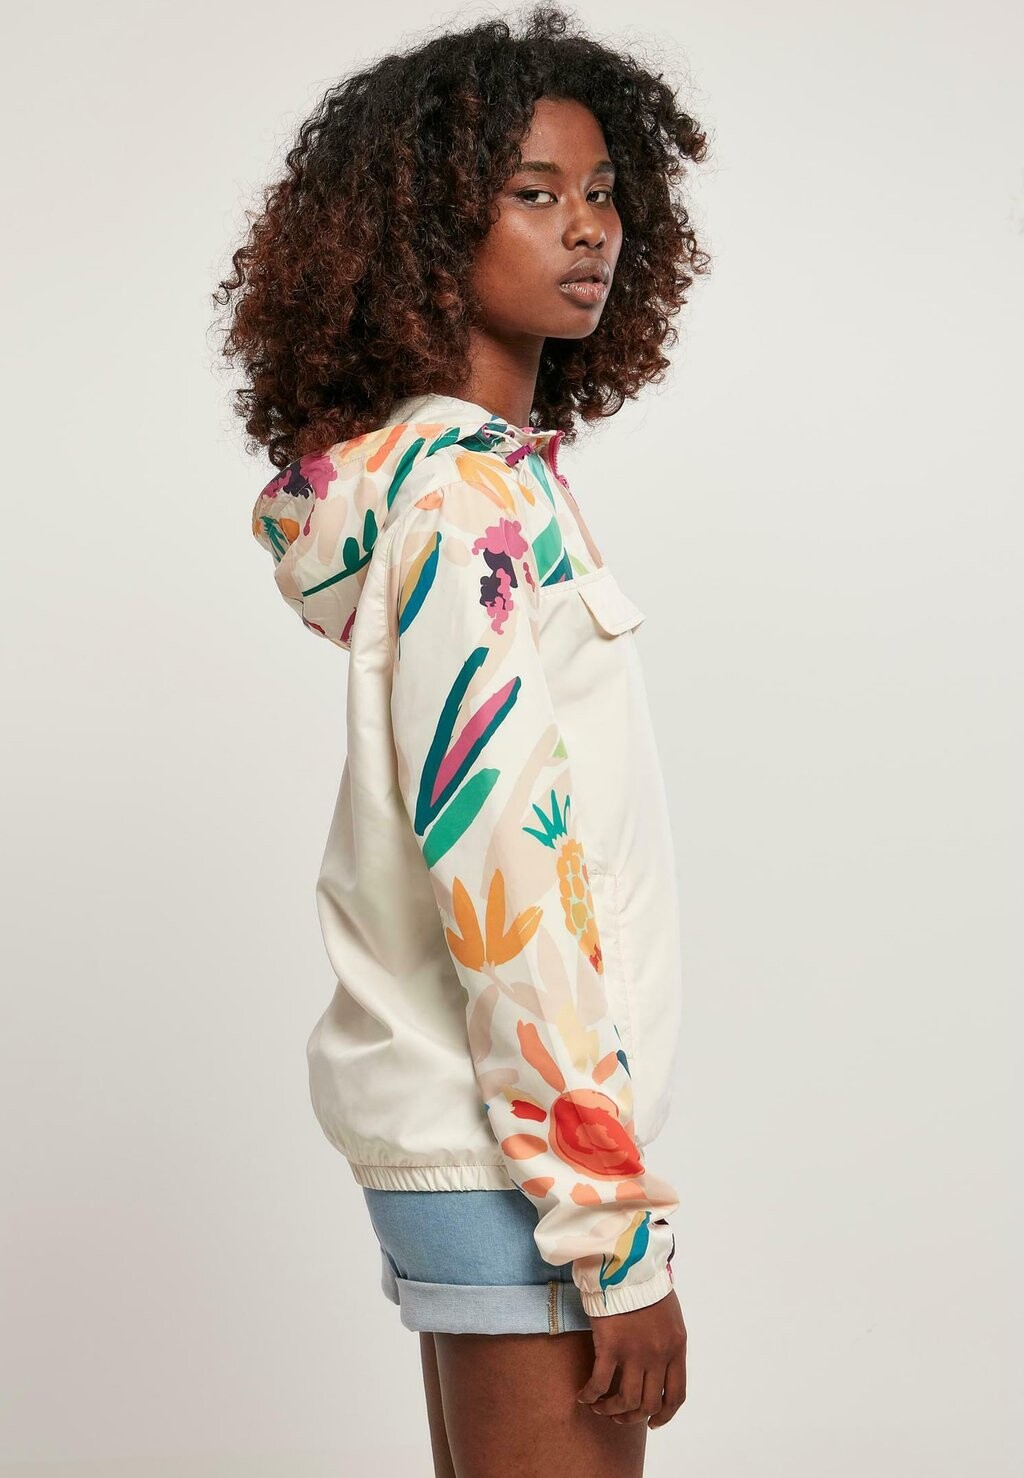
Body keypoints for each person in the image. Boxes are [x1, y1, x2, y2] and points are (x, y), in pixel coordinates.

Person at [213, 7, 711, 1472]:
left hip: (492, 1143)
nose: (589, 226)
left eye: (603, 190)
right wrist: (612, 1232)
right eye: (534, 193)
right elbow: (508, 868)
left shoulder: (477, 485)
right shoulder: (466, 503)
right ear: (430, 236)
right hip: (526, 1162)